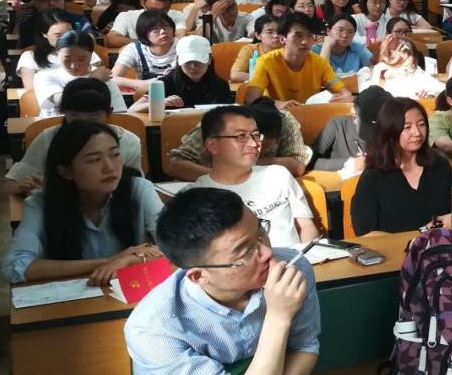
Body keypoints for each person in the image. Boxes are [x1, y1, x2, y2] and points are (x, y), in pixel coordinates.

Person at [121, 187, 320, 375]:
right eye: (244, 253)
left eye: (260, 233)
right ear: (198, 276)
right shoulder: (153, 327)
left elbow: (304, 345)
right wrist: (278, 317)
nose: (266, 253)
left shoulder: (291, 269)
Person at [2, 121, 162, 285]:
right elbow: (14, 267)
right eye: (94, 160)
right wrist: (111, 262)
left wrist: (129, 260)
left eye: (115, 154)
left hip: (128, 293)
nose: (109, 167)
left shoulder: (139, 189)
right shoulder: (40, 204)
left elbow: (176, 246)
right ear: (66, 171)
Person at [192, 106, 319, 248]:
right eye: (241, 136)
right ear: (212, 145)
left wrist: (308, 257)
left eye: (256, 135)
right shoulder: (196, 196)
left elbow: (306, 227)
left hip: (293, 259)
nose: (254, 144)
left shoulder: (278, 175)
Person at [7, 79, 144, 194]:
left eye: (93, 118)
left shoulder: (128, 142)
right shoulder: (48, 139)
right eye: (75, 117)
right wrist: (23, 187)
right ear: (64, 113)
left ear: (109, 113)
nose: (83, 125)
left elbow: (136, 187)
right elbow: (11, 183)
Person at [351, 97, 452, 235]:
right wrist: (422, 233)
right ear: (390, 130)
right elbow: (366, 234)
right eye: (407, 127)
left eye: (421, 124)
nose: (417, 132)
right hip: (393, 248)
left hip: (442, 245)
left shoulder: (440, 166)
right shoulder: (373, 176)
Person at [167, 98, 309, 180]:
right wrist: (222, 177)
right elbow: (175, 165)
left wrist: (245, 163)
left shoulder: (285, 121)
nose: (256, 146)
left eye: (265, 147)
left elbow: (297, 167)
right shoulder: (220, 124)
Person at [245, 14, 352, 108]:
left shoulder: (320, 63)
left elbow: (344, 93)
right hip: (278, 115)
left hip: (310, 114)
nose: (305, 41)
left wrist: (345, 97)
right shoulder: (266, 62)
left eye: (309, 36)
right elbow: (251, 99)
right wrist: (278, 104)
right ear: (282, 39)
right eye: (298, 36)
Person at [34, 30, 127, 116]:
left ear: (92, 55)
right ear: (57, 54)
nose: (74, 66)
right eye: (67, 59)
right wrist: (93, 80)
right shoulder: (44, 76)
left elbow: (119, 114)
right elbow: (64, 102)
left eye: (81, 59)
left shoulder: (104, 77)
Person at [135, 35, 233, 110]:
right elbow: (134, 108)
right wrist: (162, 102)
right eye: (188, 62)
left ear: (209, 60)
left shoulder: (220, 85)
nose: (193, 67)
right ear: (179, 61)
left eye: (198, 62)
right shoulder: (165, 83)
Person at [17, 9, 91, 88]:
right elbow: (30, 90)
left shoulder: (85, 53)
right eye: (58, 35)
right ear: (44, 34)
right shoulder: (29, 57)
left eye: (69, 33)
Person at [111, 10, 180, 90]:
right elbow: (113, 78)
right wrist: (143, 84)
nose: (163, 31)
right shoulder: (133, 49)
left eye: (166, 26)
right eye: (156, 29)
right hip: (145, 93)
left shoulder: (183, 46)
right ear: (144, 33)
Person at [105, 0, 187, 48]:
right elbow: (112, 40)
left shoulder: (177, 15)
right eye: (152, 10)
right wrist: (150, 43)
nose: (157, 14)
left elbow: (179, 38)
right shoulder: (126, 16)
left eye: (163, 11)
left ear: (170, 5)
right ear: (143, 4)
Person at [186, 0, 250, 43]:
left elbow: (253, 35)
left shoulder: (245, 17)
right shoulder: (208, 17)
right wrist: (213, 15)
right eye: (226, 8)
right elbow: (197, 39)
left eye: (233, 5)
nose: (233, 11)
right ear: (215, 9)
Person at [230, 14, 281, 82]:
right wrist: (267, 78)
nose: (276, 36)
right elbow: (235, 75)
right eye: (270, 32)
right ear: (258, 35)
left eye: (280, 32)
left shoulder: (289, 49)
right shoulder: (250, 50)